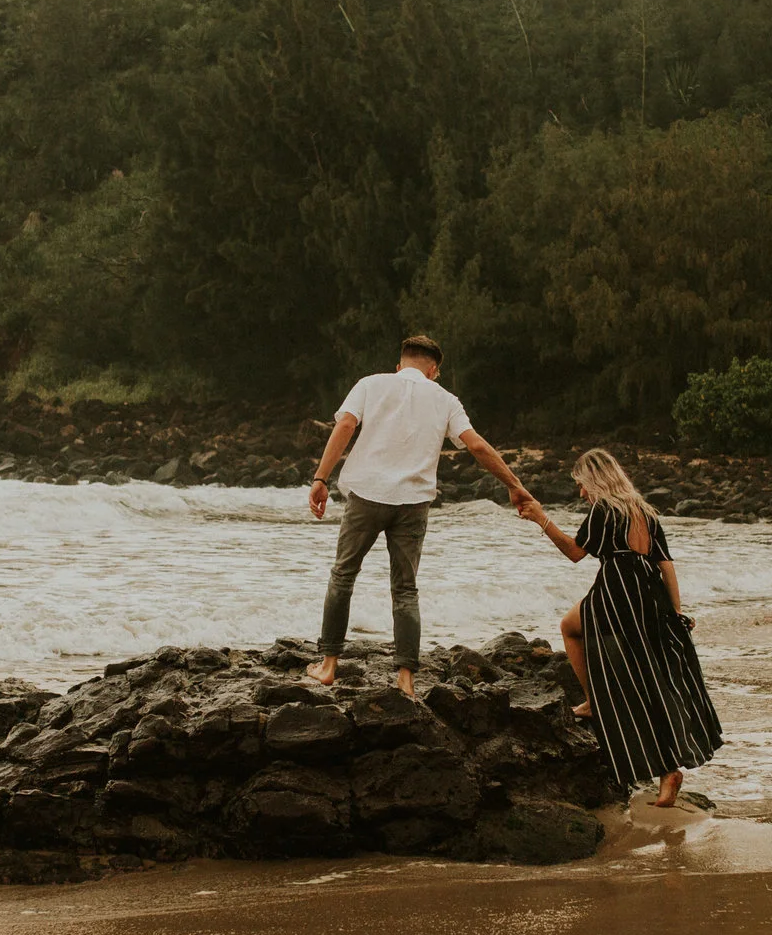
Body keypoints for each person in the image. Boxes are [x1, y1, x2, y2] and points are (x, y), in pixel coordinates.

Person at [306, 336, 531, 697]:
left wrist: (320, 478)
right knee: (406, 589)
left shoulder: (370, 384)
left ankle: (329, 665)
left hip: (367, 495)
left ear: (400, 365)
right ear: (434, 371)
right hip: (413, 503)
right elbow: (475, 445)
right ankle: (406, 678)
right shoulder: (445, 399)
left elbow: (346, 426)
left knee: (343, 575)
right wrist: (514, 484)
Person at [516, 448, 723, 807]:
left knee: (575, 633)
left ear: (595, 480)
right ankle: (666, 770)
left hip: (617, 591)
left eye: (582, 485)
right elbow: (667, 566)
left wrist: (541, 519)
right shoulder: (645, 512)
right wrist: (675, 612)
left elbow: (575, 552)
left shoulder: (604, 511)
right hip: (650, 594)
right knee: (650, 680)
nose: (581, 493)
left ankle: (598, 703)